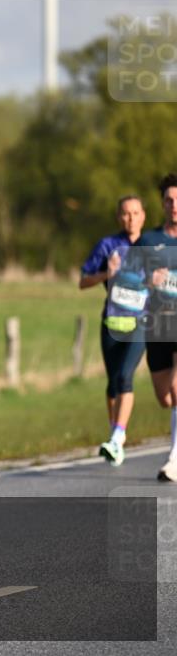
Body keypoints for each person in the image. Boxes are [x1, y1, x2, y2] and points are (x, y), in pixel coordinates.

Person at [79, 195, 147, 466]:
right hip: (111, 323)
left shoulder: (153, 244)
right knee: (113, 384)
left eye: (135, 213)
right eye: (125, 214)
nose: (130, 218)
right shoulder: (108, 245)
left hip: (141, 322)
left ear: (143, 215)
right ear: (119, 217)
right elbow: (83, 281)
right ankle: (115, 434)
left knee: (125, 375)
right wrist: (106, 274)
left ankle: (118, 438)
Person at [124, 174, 177, 481]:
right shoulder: (148, 241)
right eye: (169, 200)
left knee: (176, 391)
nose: (174, 205)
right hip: (157, 324)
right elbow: (128, 282)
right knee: (165, 398)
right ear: (161, 204)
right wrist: (148, 281)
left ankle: (173, 459)